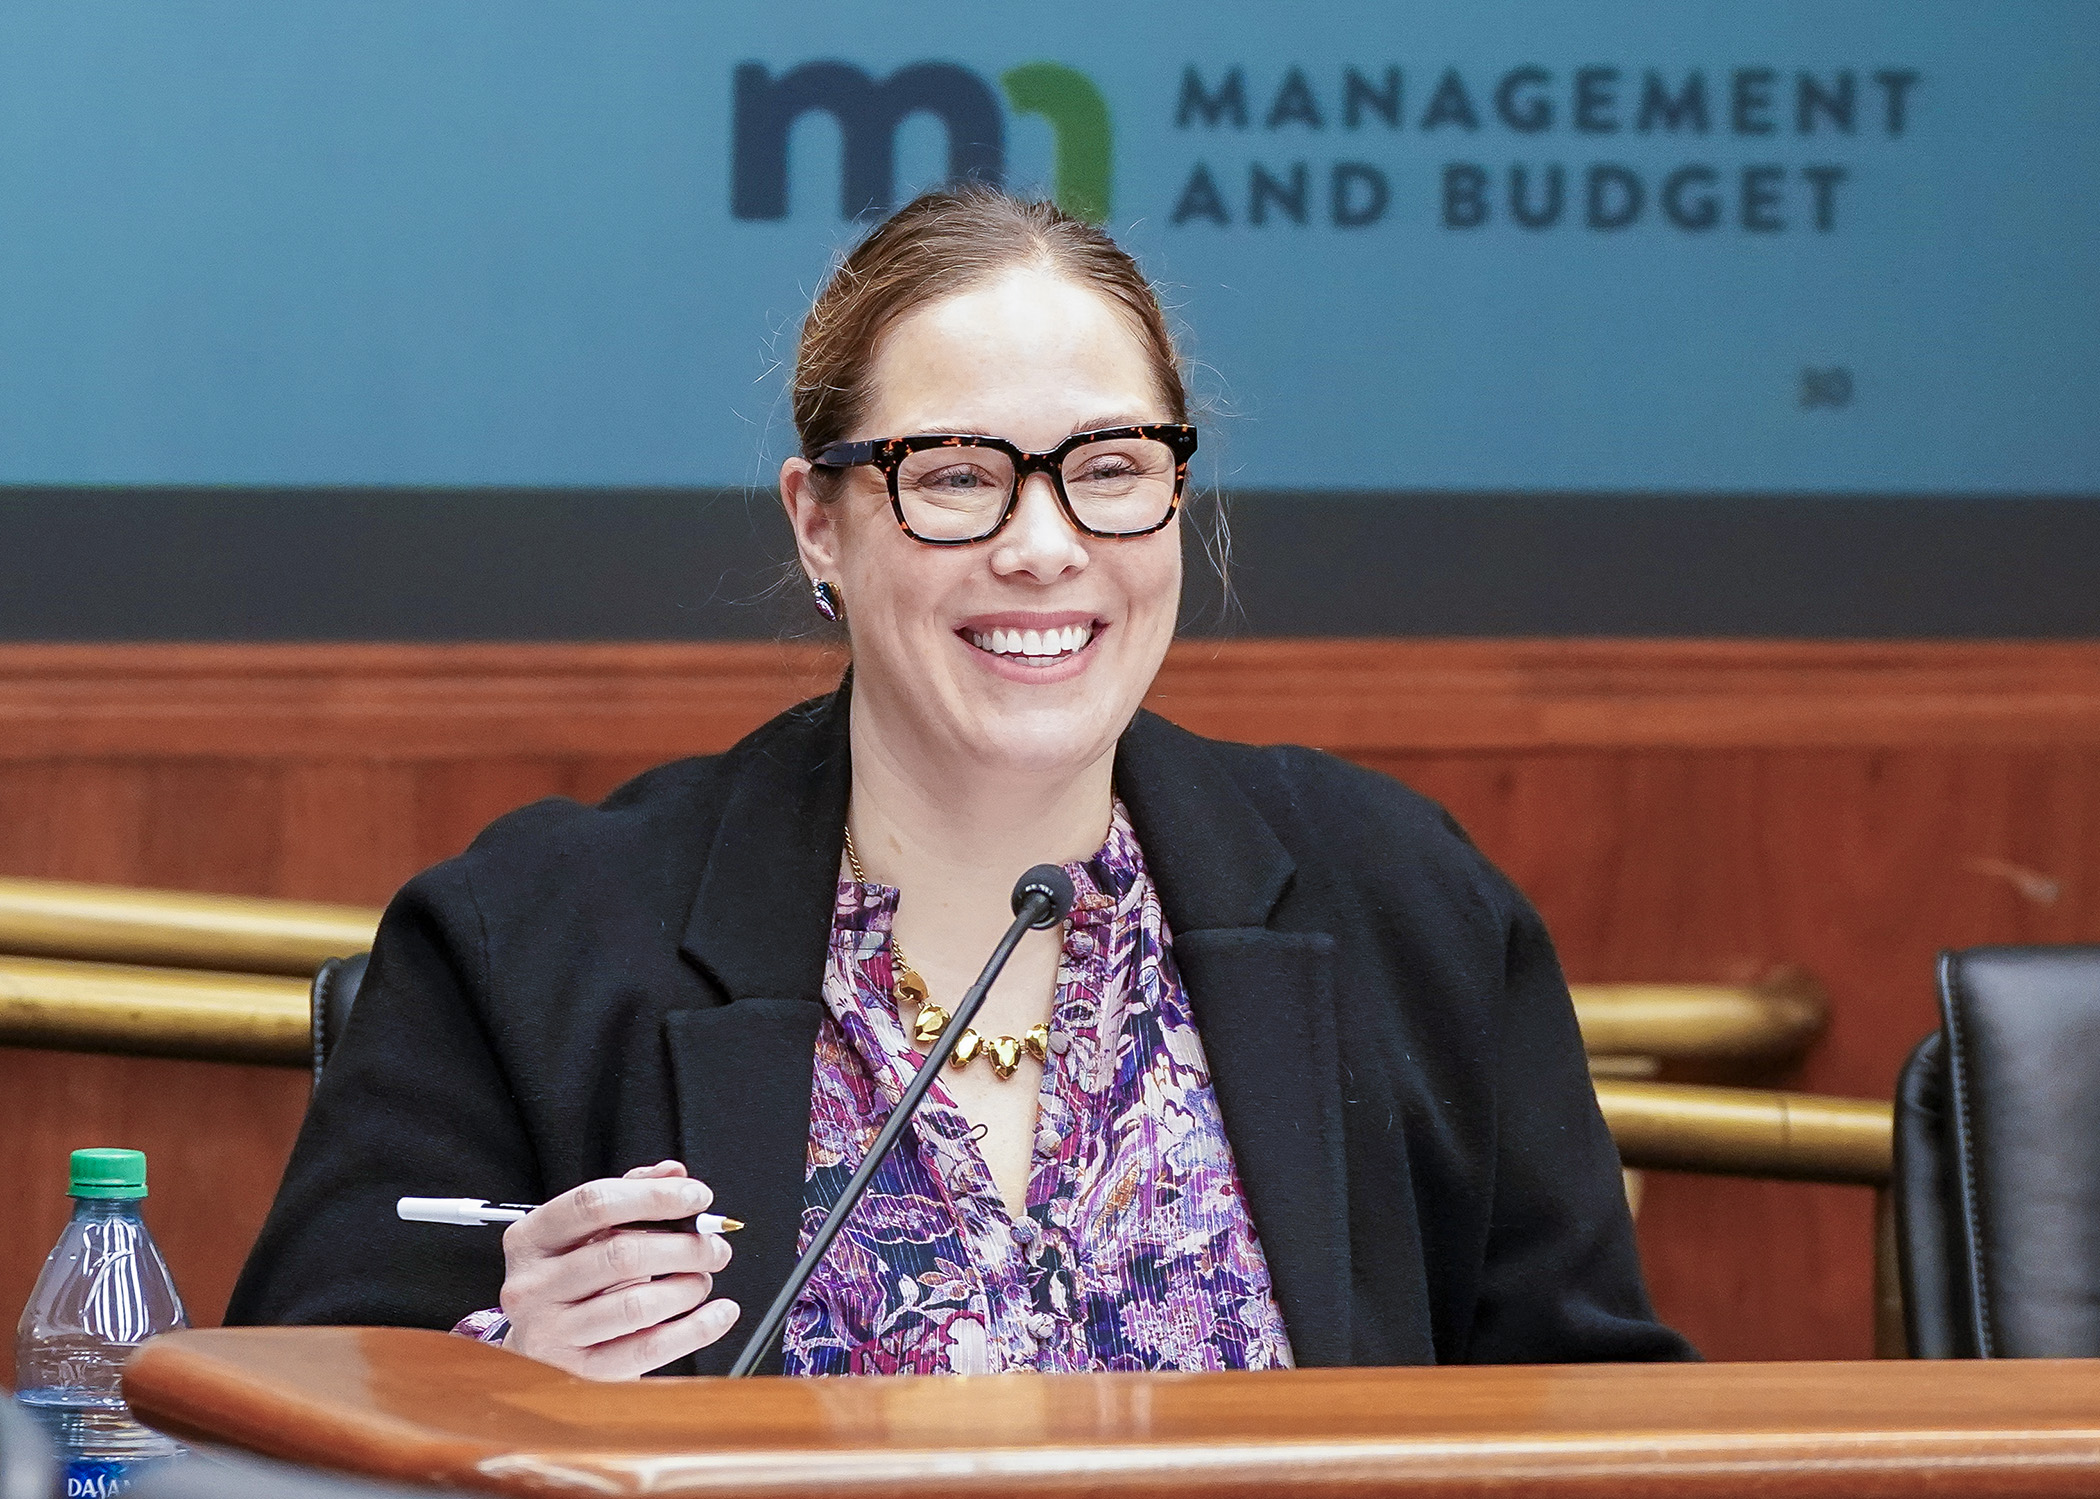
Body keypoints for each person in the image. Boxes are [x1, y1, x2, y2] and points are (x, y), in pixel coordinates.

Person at [227, 185, 1693, 1377]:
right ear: (820, 524)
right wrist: (507, 1374)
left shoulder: (1405, 906)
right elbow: (286, 1416)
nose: (1045, 545)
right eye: (954, 476)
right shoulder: (530, 939)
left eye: (1110, 467)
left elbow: (1598, 1424)